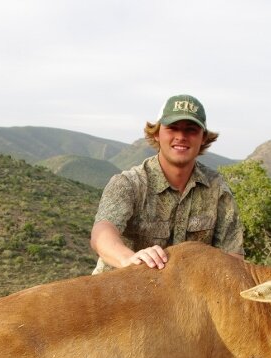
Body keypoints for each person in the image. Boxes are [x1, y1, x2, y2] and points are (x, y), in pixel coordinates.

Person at [90, 94, 245, 274]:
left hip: (184, 297)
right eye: (172, 128)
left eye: (191, 129)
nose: (181, 136)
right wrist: (129, 259)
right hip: (121, 290)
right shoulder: (129, 183)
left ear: (203, 137)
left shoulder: (218, 189)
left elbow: (234, 258)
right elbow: (102, 233)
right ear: (156, 133)